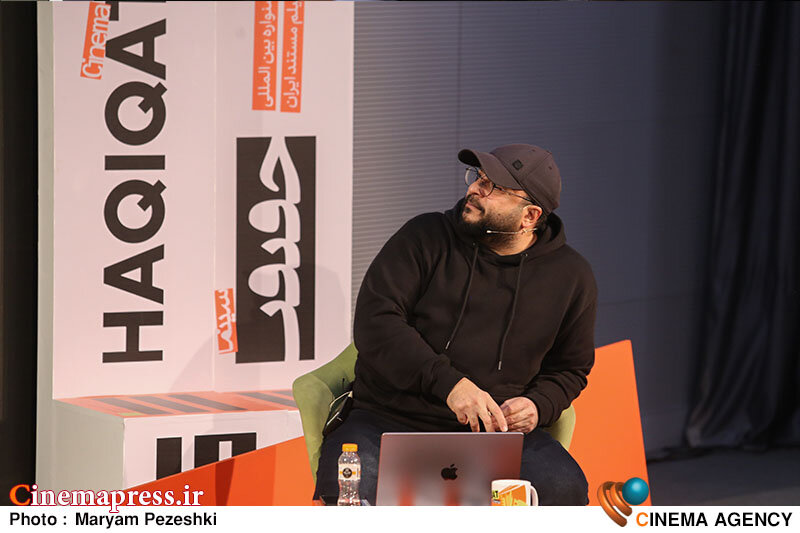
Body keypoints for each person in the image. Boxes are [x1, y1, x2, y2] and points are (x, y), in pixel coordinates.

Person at [314, 144, 597, 505]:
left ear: (529, 216)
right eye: (479, 177)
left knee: (564, 489)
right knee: (347, 493)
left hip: (496, 435)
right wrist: (449, 384)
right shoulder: (425, 237)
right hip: (387, 419)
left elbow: (570, 368)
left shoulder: (571, 277)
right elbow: (376, 322)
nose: (475, 189)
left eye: (493, 187)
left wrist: (538, 405)